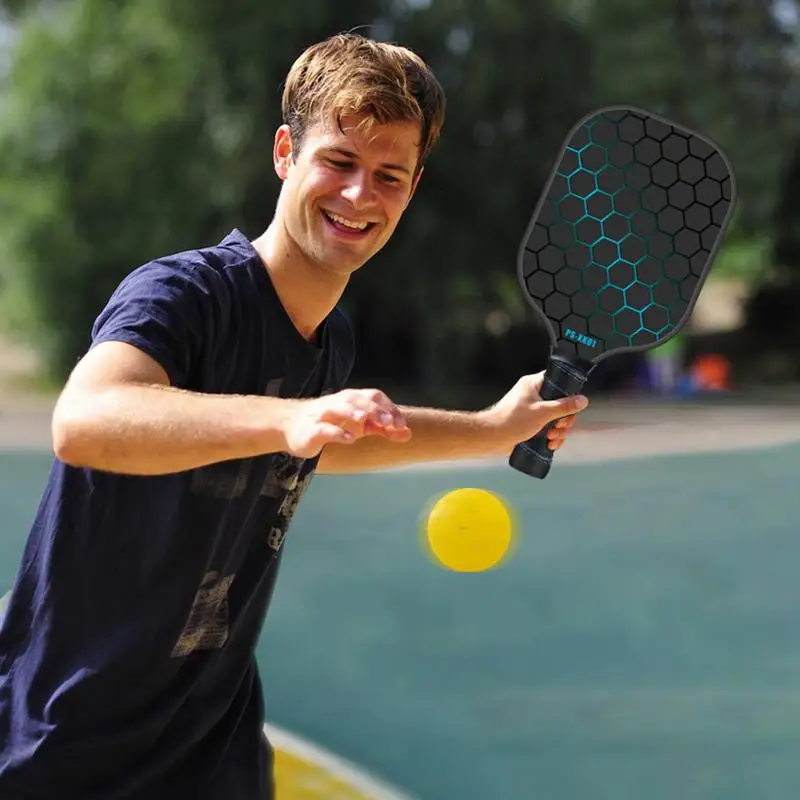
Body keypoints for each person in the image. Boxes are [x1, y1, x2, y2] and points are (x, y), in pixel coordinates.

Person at [0, 32, 588, 799]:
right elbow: (87, 420)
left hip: (210, 746)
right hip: (67, 742)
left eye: (389, 175)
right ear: (285, 152)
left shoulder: (326, 340)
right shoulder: (184, 294)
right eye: (338, 162)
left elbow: (321, 444)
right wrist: (288, 420)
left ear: (412, 188)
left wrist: (489, 427)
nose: (358, 196)